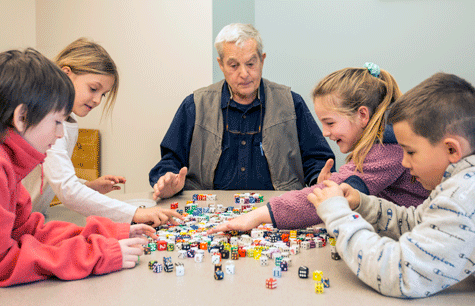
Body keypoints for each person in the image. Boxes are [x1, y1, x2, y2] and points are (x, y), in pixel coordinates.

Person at [0, 49, 156, 287]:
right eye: (57, 122)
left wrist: (111, 232)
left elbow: (27, 230)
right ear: (22, 117)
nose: (60, 133)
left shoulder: (2, 157)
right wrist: (97, 255)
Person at [308, 72, 475, 298]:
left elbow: (400, 274)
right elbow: (417, 222)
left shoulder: (463, 196)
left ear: (452, 149)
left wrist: (337, 215)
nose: (404, 162)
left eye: (411, 152)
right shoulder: (459, 183)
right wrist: (362, 204)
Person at [208, 64, 429, 233]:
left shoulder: (386, 149)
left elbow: (333, 197)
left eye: (330, 123)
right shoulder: (383, 143)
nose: (324, 132)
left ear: (362, 115)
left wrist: (257, 216)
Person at [149, 23, 334, 200]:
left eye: (251, 64)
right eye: (234, 65)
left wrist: (318, 178)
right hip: (208, 210)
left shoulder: (292, 104)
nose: (244, 74)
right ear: (221, 65)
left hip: (275, 211)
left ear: (262, 60)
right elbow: (171, 160)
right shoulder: (195, 105)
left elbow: (317, 160)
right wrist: (167, 180)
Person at [22, 38, 181, 226]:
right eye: (93, 89)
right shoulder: (46, 121)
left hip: (28, 220)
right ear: (66, 74)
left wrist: (87, 186)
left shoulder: (64, 121)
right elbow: (67, 189)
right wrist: (134, 213)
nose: (97, 100)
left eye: (103, 94)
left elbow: (53, 176)